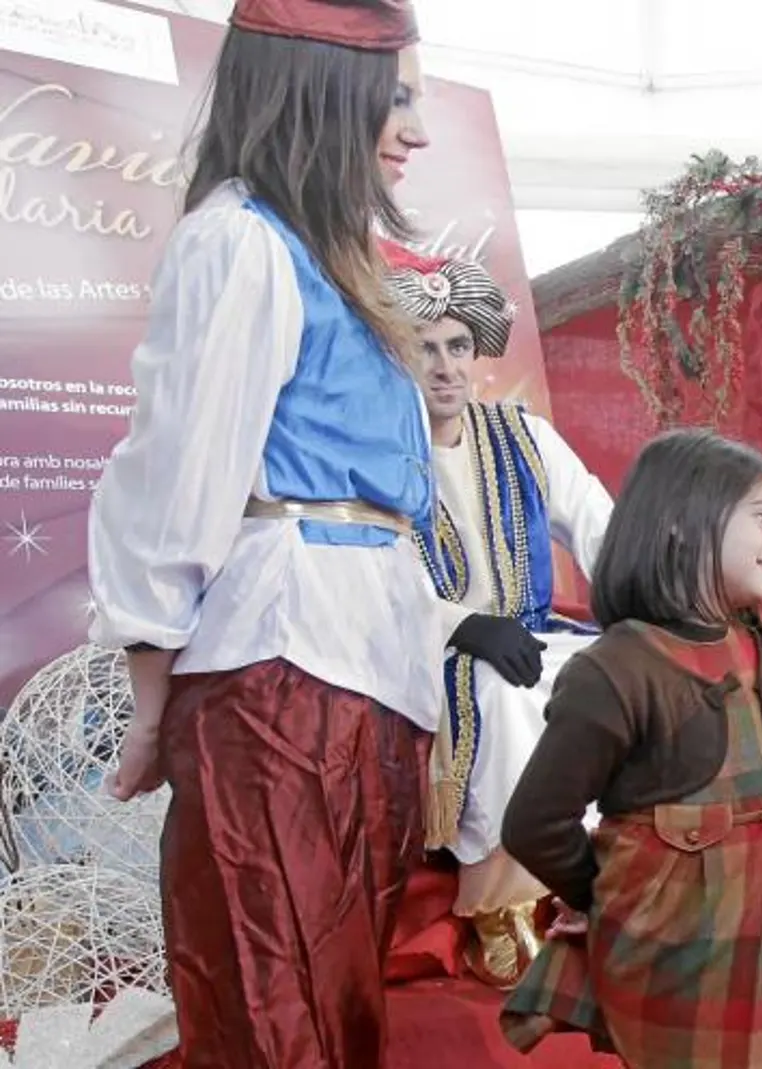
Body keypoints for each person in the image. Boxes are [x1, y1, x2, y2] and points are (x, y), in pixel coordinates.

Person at [88, 2, 437, 1065]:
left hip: (361, 663)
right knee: (275, 1006)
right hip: (279, 670)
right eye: (402, 94)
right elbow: (180, 469)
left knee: (333, 999)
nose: (416, 130)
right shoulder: (239, 241)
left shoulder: (333, 258)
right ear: (323, 85)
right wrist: (153, 681)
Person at [496, 429, 762, 1068]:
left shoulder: (757, 650)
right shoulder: (616, 670)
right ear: (682, 521)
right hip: (676, 946)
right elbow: (536, 823)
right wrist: (614, 897)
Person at [385, 253, 615, 986]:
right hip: (434, 647)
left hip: (535, 630)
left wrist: (645, 600)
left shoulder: (523, 435)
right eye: (425, 347)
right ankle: (500, 899)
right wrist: (461, 625)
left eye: (457, 346)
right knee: (499, 691)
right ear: (397, 352)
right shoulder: (379, 453)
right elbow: (372, 581)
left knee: (612, 675)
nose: (445, 366)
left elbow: (597, 523)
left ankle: (604, 875)